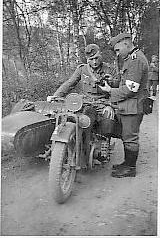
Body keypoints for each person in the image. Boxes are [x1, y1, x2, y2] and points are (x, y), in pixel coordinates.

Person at [47, 44, 117, 161]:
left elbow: (118, 89)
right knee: (72, 118)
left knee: (108, 118)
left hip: (103, 102)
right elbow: (70, 83)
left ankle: (103, 144)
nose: (94, 62)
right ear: (87, 59)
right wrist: (55, 96)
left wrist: (110, 105)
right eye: (91, 59)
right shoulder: (82, 69)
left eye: (96, 58)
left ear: (100, 55)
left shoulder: (109, 69)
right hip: (85, 101)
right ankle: (74, 144)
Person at [99, 33, 149, 178]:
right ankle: (127, 164)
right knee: (126, 135)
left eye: (117, 50)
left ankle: (130, 168)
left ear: (126, 44)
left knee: (130, 138)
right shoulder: (131, 59)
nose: (117, 54)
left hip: (133, 107)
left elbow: (130, 89)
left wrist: (110, 91)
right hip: (128, 106)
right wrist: (113, 82)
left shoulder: (136, 60)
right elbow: (126, 83)